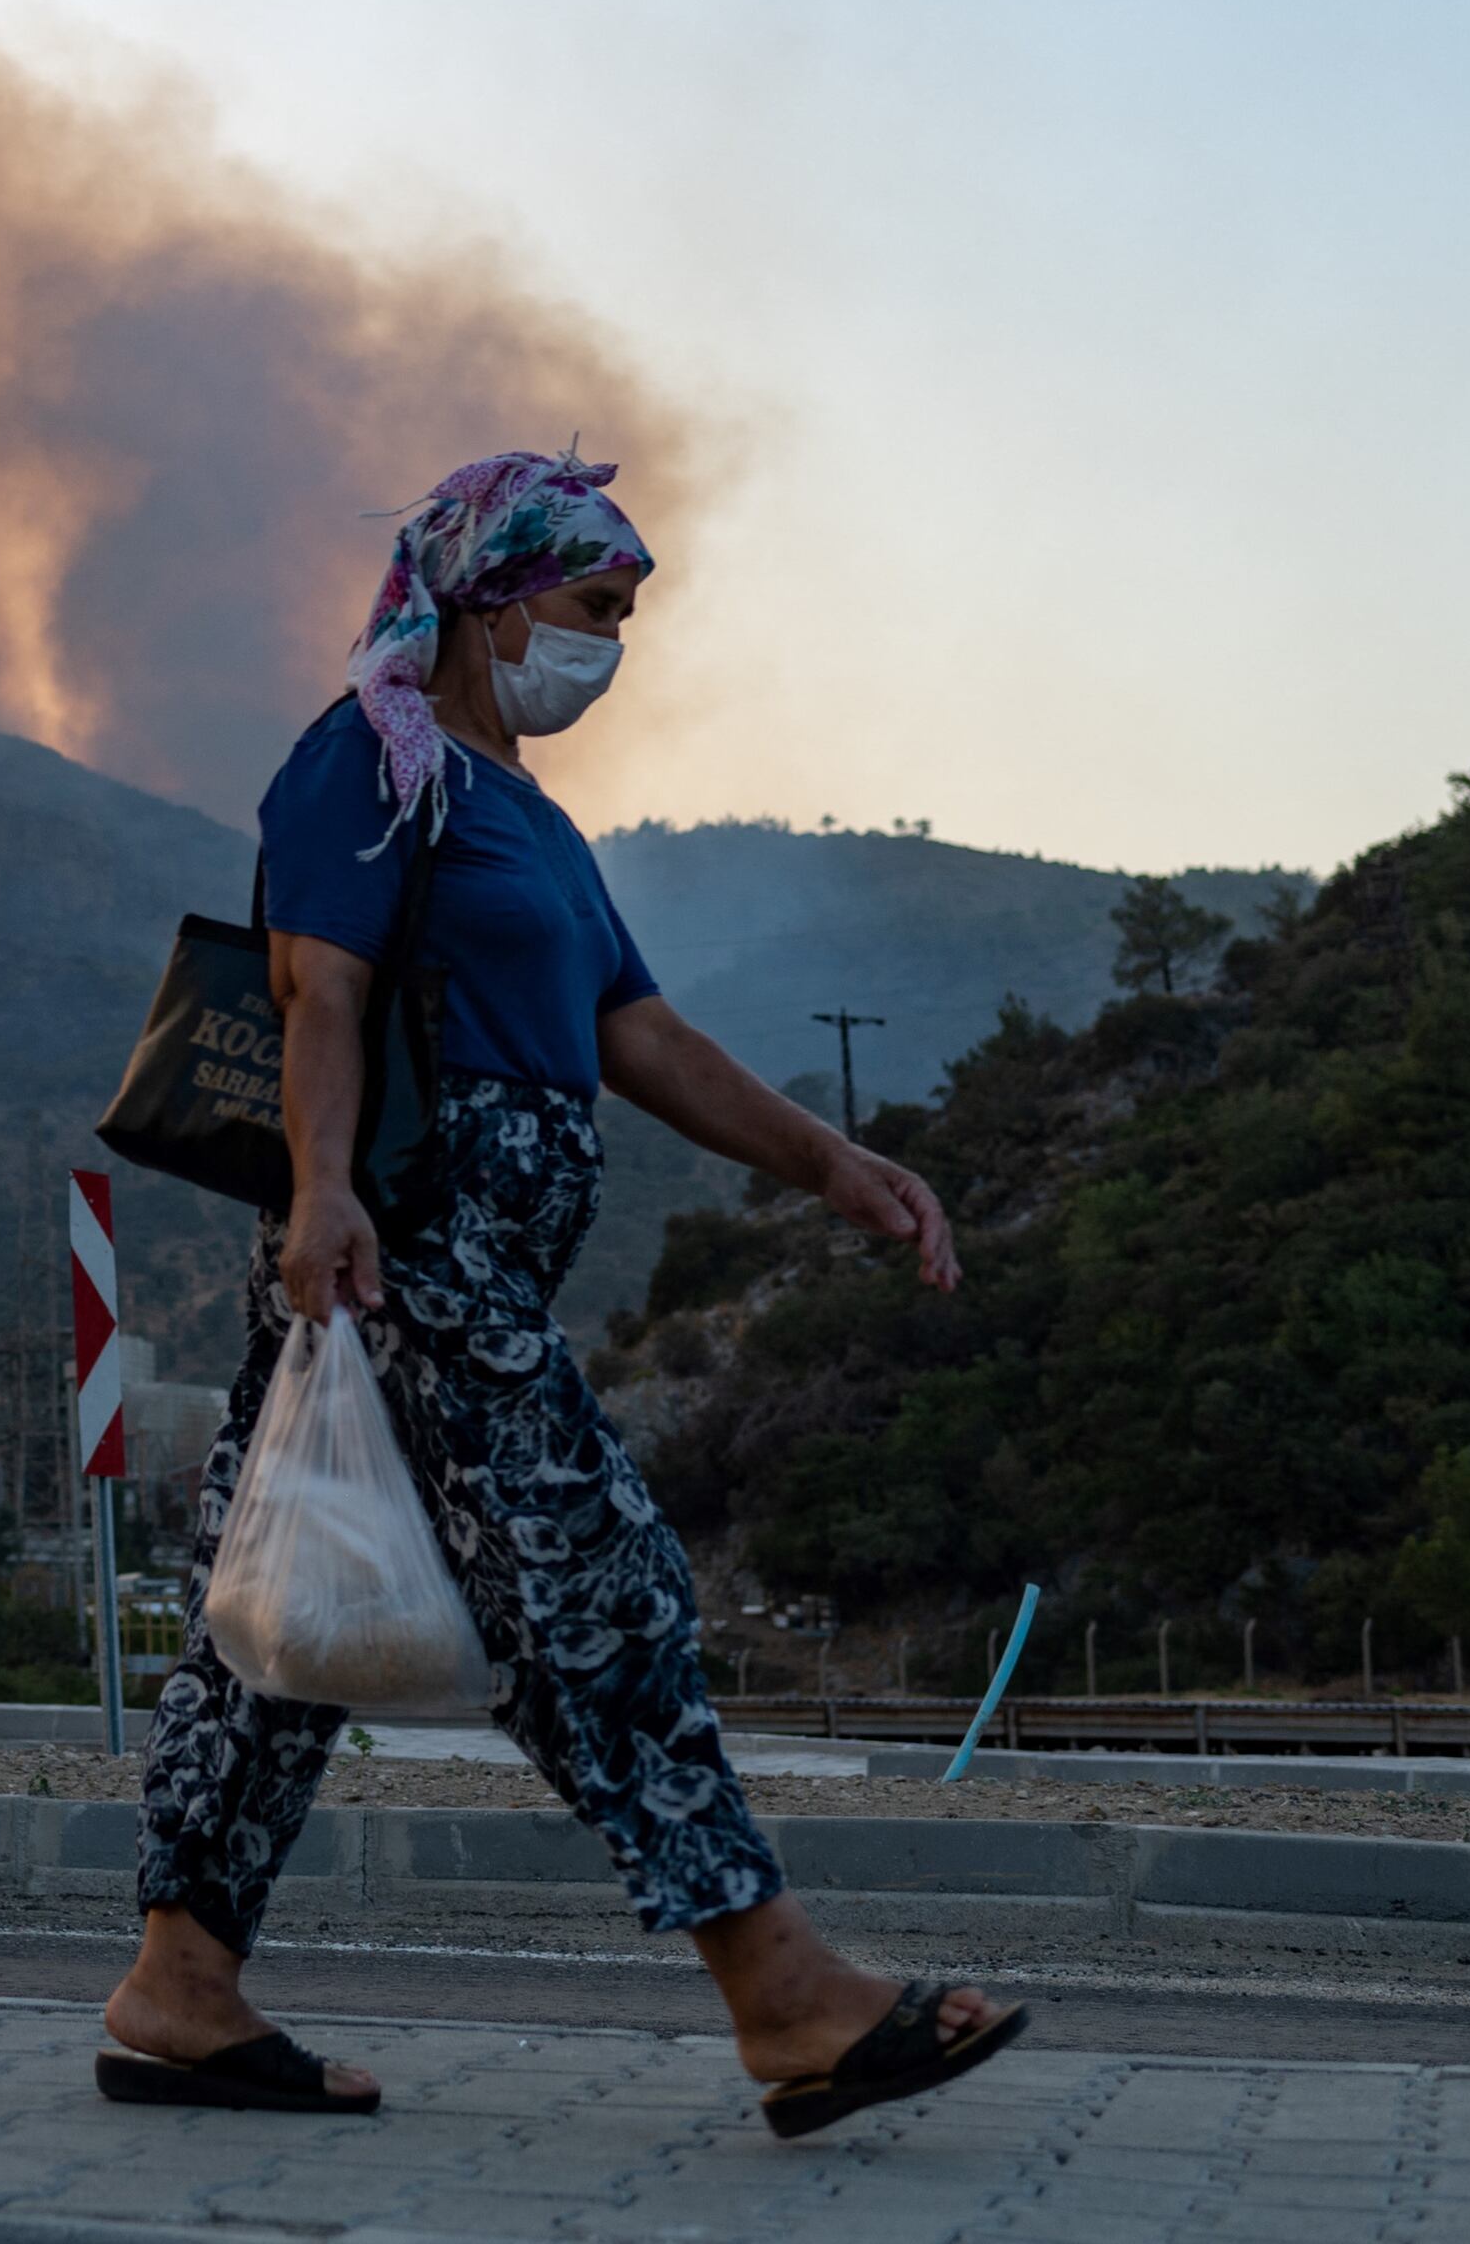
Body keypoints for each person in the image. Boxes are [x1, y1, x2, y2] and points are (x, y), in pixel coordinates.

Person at [94, 448, 1026, 2135]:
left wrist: (832, 1164)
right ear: (490, 601)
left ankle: (182, 1981)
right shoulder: (365, 759)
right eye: (598, 609)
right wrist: (320, 1193)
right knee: (601, 1598)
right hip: (411, 1253)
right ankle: (784, 1989)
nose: (615, 644)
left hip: (464, 1260)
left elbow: (640, 1036)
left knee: (280, 1617)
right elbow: (319, 988)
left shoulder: (525, 814)